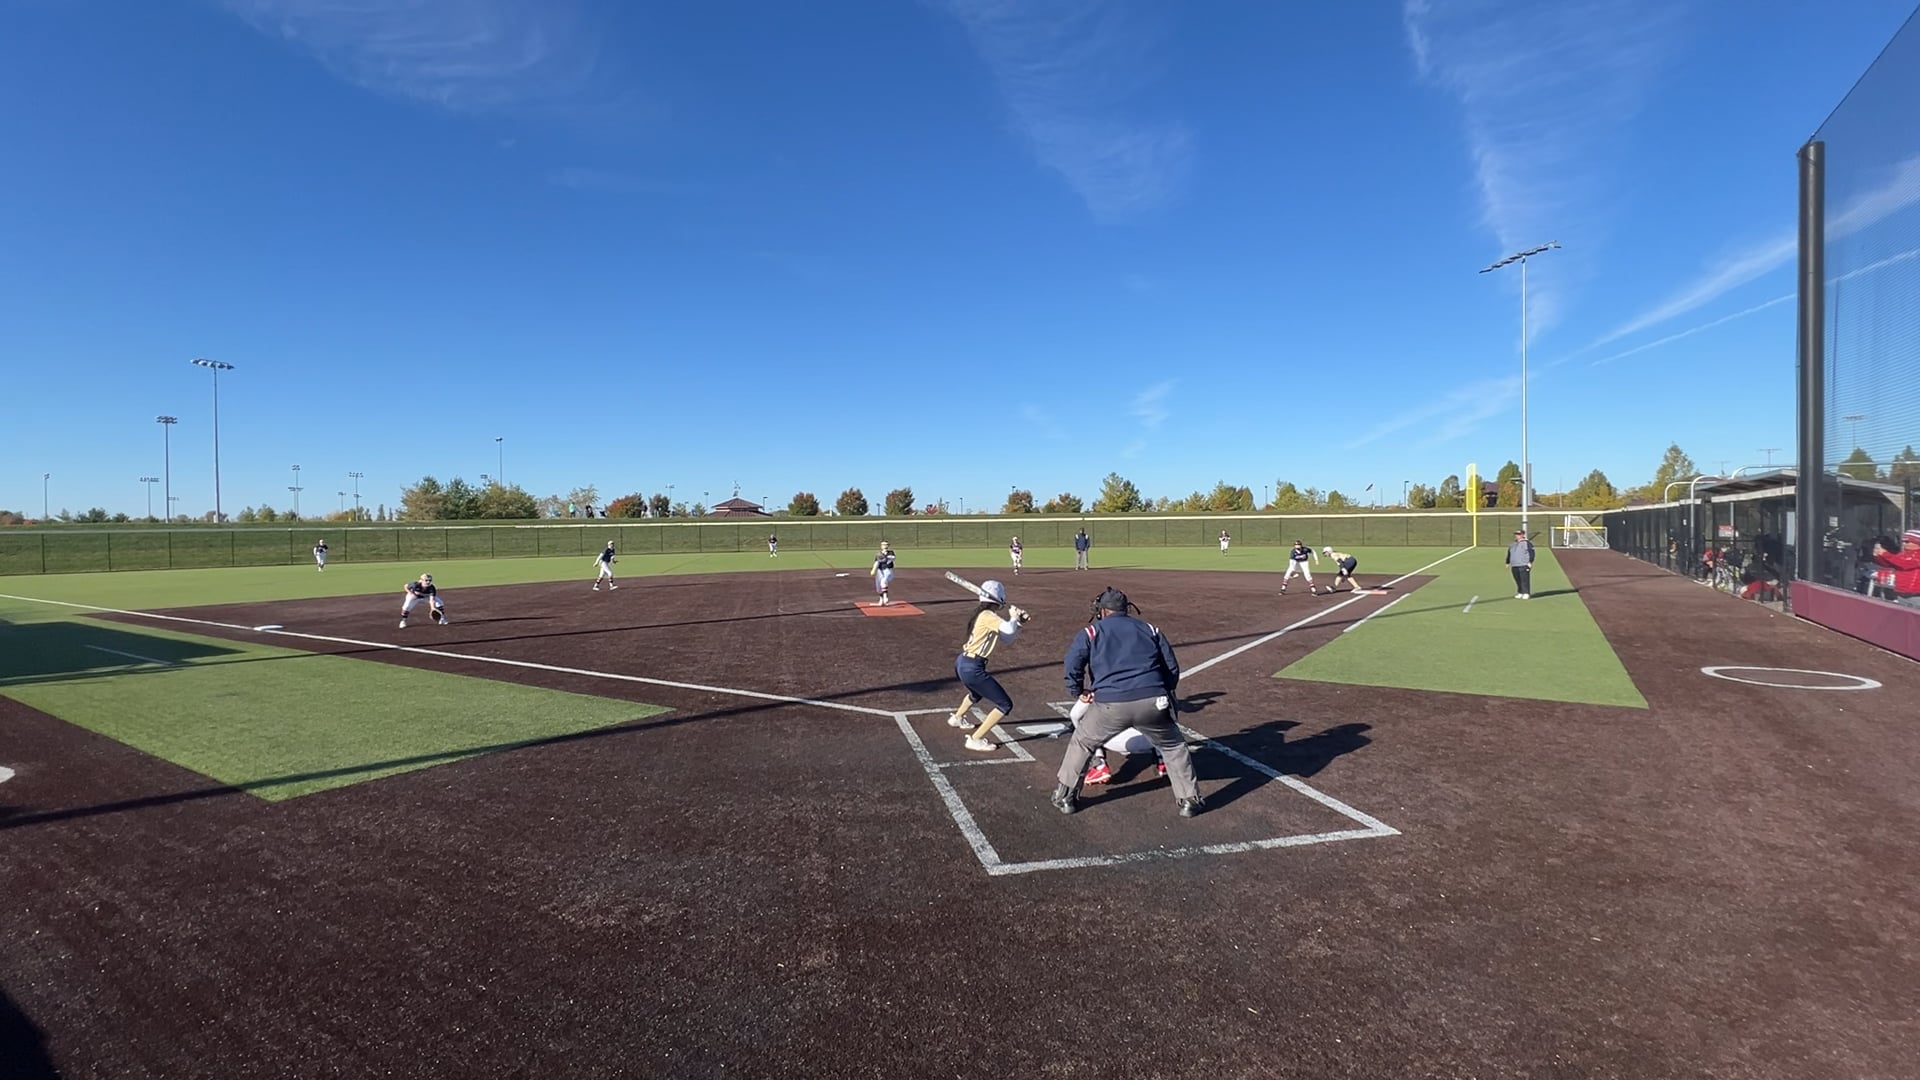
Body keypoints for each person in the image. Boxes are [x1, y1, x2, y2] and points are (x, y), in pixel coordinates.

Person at [1051, 587, 1204, 818]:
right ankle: (1189, 801)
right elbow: (1171, 668)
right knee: (1173, 747)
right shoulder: (1150, 629)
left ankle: (1066, 797)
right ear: (1126, 609)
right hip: (1153, 702)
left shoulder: (1091, 632)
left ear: (1103, 611)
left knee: (1082, 742)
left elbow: (1073, 663)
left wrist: (1077, 691)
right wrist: (1162, 691)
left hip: (1110, 705)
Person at [945, 579, 1032, 752]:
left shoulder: (985, 615)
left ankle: (957, 717)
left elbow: (1007, 637)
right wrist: (1013, 617)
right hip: (972, 667)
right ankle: (975, 739)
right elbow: (1008, 629)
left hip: (963, 662)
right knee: (1005, 705)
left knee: (976, 693)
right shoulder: (988, 616)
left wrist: (1018, 622)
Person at [1870, 529, 1920, 608]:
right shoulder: (1904, 554)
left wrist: (1885, 553)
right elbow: (1890, 564)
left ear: (1917, 542)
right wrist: (1878, 556)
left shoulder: (1918, 556)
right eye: (1903, 541)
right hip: (1902, 594)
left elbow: (1904, 564)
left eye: (1907, 542)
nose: (1904, 544)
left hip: (1916, 595)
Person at [1508, 529, 1536, 599]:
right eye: (1516, 534)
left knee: (1524, 580)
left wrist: (1530, 562)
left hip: (1524, 564)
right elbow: (1509, 553)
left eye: (1519, 534)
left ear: (1523, 535)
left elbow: (1532, 553)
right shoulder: (1512, 544)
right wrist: (1507, 562)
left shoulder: (1527, 543)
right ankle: (1520, 592)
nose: (1517, 536)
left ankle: (1526, 593)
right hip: (1514, 565)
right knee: (1517, 579)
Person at [869, 541, 896, 606]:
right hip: (880, 571)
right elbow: (877, 562)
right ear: (881, 546)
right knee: (878, 587)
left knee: (883, 582)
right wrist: (873, 570)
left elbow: (892, 558)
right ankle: (881, 600)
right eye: (884, 545)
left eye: (886, 545)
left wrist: (885, 557)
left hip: (888, 570)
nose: (885, 546)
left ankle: (885, 597)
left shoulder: (891, 553)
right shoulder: (878, 554)